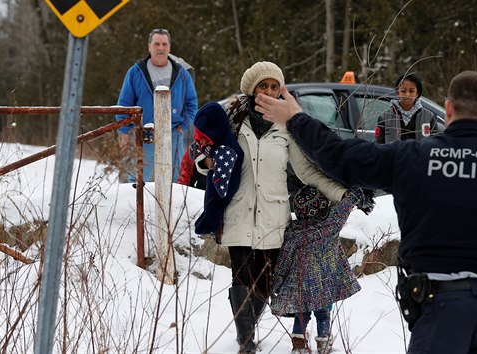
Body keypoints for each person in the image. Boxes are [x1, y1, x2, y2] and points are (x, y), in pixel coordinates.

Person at [255, 70, 477, 353]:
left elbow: (342, 157)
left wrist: (295, 118)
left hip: (439, 306)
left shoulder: (414, 158)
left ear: (447, 108)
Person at [195, 61, 347, 354]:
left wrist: (339, 193)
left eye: (273, 87)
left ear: (280, 91)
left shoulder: (286, 126)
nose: (268, 91)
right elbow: (203, 153)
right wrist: (207, 163)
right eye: (262, 86)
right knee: (241, 276)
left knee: (263, 281)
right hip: (238, 210)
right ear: (252, 90)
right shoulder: (232, 120)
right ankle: (246, 342)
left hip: (273, 214)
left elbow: (306, 173)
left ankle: (248, 332)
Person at [271, 186, 374, 353]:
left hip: (300, 287)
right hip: (325, 285)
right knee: (323, 314)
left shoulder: (294, 234)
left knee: (302, 315)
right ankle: (323, 343)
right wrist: (358, 191)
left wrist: (277, 283)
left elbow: (283, 262)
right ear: (322, 206)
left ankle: (299, 344)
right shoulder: (330, 225)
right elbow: (344, 208)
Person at [116, 28, 198, 183]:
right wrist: (124, 131)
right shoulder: (136, 72)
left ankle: (171, 208)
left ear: (169, 47)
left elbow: (192, 103)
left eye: (164, 44)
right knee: (137, 179)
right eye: (157, 44)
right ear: (149, 46)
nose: (161, 48)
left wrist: (184, 125)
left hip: (173, 133)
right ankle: (136, 208)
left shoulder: (181, 73)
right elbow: (124, 103)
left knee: (176, 180)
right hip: (143, 134)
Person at [192, 102, 244, 241]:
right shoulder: (236, 111)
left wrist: (220, 183)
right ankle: (208, 221)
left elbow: (226, 157)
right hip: (217, 178)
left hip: (227, 182)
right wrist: (205, 162)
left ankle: (209, 223)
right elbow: (199, 153)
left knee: (216, 202)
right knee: (211, 201)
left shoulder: (225, 146)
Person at [375, 73, 438, 144]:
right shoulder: (384, 117)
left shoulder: (429, 117)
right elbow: (379, 146)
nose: (407, 95)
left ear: (417, 93)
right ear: (397, 92)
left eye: (411, 91)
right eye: (403, 91)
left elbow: (434, 145)